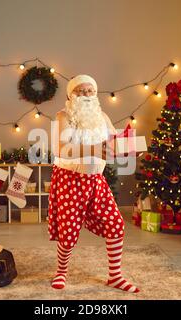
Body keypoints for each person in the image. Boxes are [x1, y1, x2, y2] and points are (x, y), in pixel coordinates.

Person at [47, 75, 139, 293]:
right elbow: (61, 149)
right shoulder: (63, 116)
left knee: (116, 225)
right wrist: (93, 149)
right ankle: (61, 272)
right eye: (80, 91)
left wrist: (127, 147)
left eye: (90, 91)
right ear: (71, 95)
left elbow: (112, 144)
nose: (86, 95)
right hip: (70, 180)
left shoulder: (103, 116)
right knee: (68, 233)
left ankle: (115, 276)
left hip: (96, 180)